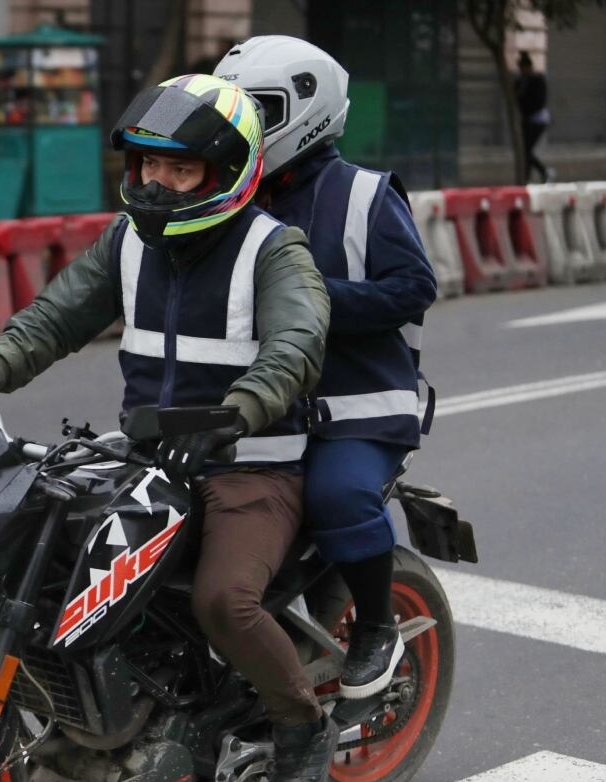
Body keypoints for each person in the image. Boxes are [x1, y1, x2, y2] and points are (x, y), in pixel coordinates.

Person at [0, 74, 335, 782]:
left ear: (226, 173)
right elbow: (57, 316)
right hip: (149, 456)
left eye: (179, 167)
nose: (157, 182)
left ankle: (302, 726)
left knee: (223, 601)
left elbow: (297, 345)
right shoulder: (128, 242)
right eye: (147, 164)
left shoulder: (273, 250)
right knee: (34, 563)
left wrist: (235, 412)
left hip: (249, 467)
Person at [216, 37, 437, 703]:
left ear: (306, 110)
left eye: (260, 112)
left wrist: (314, 302)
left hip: (360, 407)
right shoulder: (228, 200)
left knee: (337, 496)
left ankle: (376, 626)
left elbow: (413, 287)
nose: (244, 131)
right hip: (263, 410)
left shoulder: (367, 196)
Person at [514, 51, 551, 183]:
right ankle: (528, 177)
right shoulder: (520, 81)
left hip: (537, 119)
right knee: (526, 150)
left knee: (527, 150)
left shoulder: (537, 79)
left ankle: (544, 172)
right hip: (527, 119)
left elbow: (539, 101)